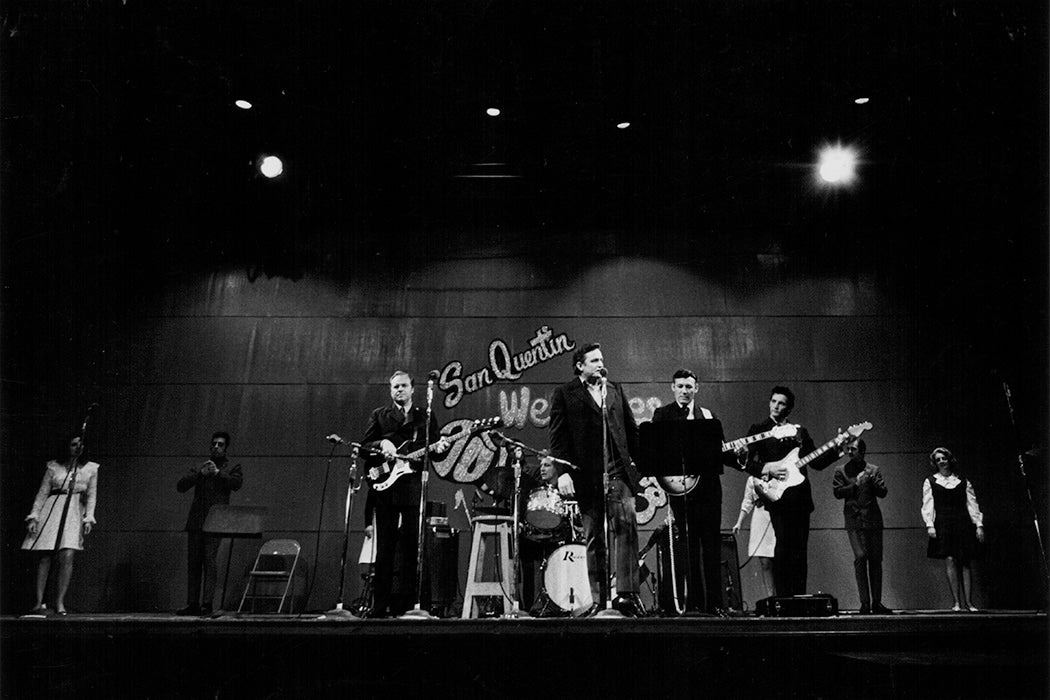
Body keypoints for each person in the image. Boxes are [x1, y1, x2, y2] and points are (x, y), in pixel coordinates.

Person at [549, 342, 644, 617]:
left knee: (627, 526)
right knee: (595, 537)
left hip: (618, 472)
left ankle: (627, 595)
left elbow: (631, 430)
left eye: (602, 359)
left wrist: (643, 469)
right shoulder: (565, 394)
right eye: (594, 360)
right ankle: (599, 600)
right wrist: (563, 472)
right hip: (587, 475)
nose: (601, 364)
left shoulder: (614, 389)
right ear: (580, 365)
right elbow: (558, 437)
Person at [360, 370, 450, 617]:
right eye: (395, 387)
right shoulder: (380, 415)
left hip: (412, 488)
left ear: (413, 389)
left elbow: (436, 453)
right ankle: (379, 608)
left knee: (414, 548)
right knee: (384, 550)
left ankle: (412, 606)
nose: (399, 390)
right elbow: (363, 449)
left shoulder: (425, 416)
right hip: (386, 490)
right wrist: (381, 445)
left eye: (403, 386)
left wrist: (442, 447)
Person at [651, 369, 734, 613]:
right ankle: (694, 603)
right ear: (672, 388)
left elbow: (722, 452)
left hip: (709, 491)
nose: (685, 391)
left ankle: (715, 605)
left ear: (696, 388)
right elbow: (657, 452)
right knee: (688, 546)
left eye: (689, 386)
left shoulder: (708, 415)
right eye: (680, 386)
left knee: (711, 546)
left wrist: (738, 455)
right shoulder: (662, 414)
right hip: (682, 491)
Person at [741, 386, 838, 597]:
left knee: (800, 551)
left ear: (789, 408)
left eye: (781, 403)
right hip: (778, 499)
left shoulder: (800, 432)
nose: (776, 406)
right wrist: (766, 470)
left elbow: (817, 462)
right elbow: (746, 462)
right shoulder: (759, 429)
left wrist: (838, 449)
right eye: (773, 401)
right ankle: (784, 599)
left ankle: (799, 599)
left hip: (801, 499)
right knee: (783, 547)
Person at [22, 436, 99, 615]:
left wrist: (89, 517)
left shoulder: (90, 469)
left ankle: (60, 603)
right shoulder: (53, 467)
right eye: (73, 444)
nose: (77, 448)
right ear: (66, 446)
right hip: (52, 509)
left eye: (80, 445)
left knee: (67, 555)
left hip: (74, 511)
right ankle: (39, 601)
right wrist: (34, 517)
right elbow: (42, 493)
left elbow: (92, 495)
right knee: (45, 556)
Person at [176, 431, 243, 616]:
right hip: (197, 521)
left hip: (216, 522)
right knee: (194, 564)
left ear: (225, 447)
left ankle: (207, 603)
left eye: (220, 444)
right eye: (214, 444)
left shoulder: (232, 467)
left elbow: (236, 484)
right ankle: (193, 603)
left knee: (210, 562)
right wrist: (200, 474)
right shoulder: (200, 466)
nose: (216, 447)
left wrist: (218, 473)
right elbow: (181, 486)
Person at [922, 447, 985, 612]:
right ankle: (956, 602)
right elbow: (928, 504)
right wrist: (930, 524)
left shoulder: (963, 481)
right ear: (935, 463)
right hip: (943, 523)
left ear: (949, 459)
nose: (942, 462)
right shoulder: (931, 481)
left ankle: (969, 603)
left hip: (962, 522)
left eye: (944, 458)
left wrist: (978, 525)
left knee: (965, 561)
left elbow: (972, 504)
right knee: (950, 559)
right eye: (938, 460)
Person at [832, 439, 890, 614]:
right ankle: (864, 602)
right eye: (848, 449)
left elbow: (883, 492)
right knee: (860, 556)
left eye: (854, 449)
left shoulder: (873, 469)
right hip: (854, 520)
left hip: (872, 519)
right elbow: (837, 492)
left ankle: (876, 602)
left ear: (862, 451)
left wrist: (871, 481)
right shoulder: (841, 470)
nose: (850, 452)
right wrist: (854, 484)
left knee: (875, 560)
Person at [732, 476, 776, 600]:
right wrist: (739, 522)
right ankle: (770, 598)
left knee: (779, 559)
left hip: (776, 515)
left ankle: (781, 599)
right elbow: (747, 501)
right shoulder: (752, 478)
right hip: (760, 516)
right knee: (765, 562)